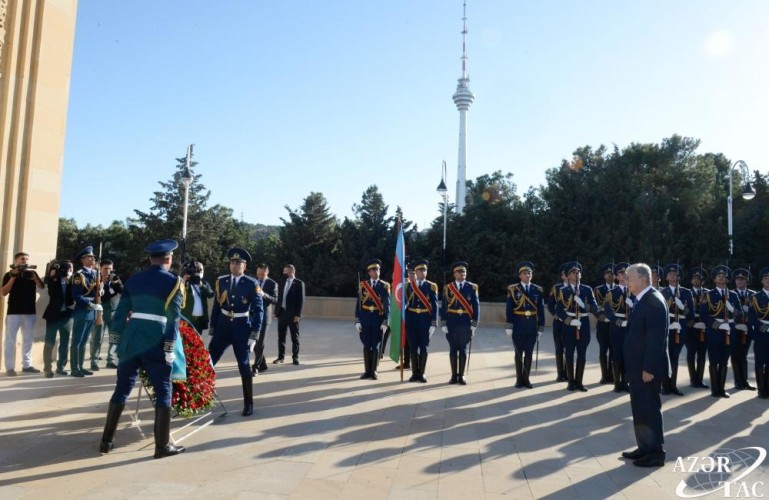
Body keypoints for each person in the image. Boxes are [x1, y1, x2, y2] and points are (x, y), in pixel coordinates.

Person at [99, 239, 186, 459]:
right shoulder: (174, 281)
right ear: (168, 259)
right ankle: (162, 447)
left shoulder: (135, 279)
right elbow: (173, 318)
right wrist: (169, 347)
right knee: (163, 390)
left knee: (122, 389)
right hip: (156, 340)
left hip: (131, 339)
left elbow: (121, 313)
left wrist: (115, 341)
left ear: (150, 258)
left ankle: (106, 441)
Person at [621, 263, 670, 468]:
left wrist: (648, 369)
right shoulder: (642, 299)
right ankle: (644, 447)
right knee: (639, 408)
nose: (626, 281)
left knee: (649, 409)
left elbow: (656, 340)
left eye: (629, 278)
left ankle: (656, 452)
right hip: (637, 367)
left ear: (643, 279)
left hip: (647, 369)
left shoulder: (653, 301)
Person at [208, 248, 263, 416]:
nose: (234, 265)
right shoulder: (221, 281)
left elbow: (259, 310)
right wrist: (213, 327)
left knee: (244, 366)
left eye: (238, 263)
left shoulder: (252, 283)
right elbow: (217, 306)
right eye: (232, 262)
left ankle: (249, 403)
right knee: (207, 362)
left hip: (242, 328)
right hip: (223, 328)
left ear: (244, 266)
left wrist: (254, 334)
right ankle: (202, 397)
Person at [555, 261, 598, 392]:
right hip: (570, 325)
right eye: (573, 272)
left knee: (582, 354)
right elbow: (559, 310)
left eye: (578, 272)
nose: (576, 274)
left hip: (583, 324)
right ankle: (571, 381)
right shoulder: (563, 291)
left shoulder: (587, 289)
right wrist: (569, 321)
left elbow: (594, 308)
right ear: (568, 276)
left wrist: (584, 305)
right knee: (568, 353)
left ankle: (579, 382)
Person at [700, 265, 741, 398]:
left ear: (728, 280)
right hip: (715, 332)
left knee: (724, 361)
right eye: (719, 276)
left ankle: (721, 389)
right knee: (714, 361)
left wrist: (730, 306)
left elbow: (739, 314)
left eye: (724, 277)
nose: (722, 278)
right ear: (715, 279)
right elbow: (704, 314)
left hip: (730, 330)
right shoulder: (709, 295)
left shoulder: (733, 295)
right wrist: (717, 325)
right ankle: (714, 389)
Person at [2, 251, 45, 375]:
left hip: (30, 312)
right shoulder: (9, 274)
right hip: (14, 312)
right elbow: (4, 292)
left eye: (26, 259)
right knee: (10, 340)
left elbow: (41, 287)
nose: (25, 261)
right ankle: (9, 367)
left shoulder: (32, 273)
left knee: (28, 339)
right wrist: (13, 277)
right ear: (16, 261)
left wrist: (35, 278)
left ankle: (27, 365)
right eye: (22, 259)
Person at [505, 261, 545, 389]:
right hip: (518, 324)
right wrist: (509, 325)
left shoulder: (537, 290)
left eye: (529, 273)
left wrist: (541, 327)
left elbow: (541, 310)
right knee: (518, 354)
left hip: (531, 325)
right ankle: (519, 379)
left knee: (529, 353)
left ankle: (526, 378)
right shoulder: (513, 289)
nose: (528, 275)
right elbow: (509, 309)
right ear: (520, 276)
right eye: (525, 273)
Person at [440, 261, 479, 385]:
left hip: (465, 321)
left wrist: (474, 322)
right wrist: (444, 322)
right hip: (452, 321)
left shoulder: (472, 287)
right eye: (460, 271)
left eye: (464, 271)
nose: (463, 273)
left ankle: (461, 375)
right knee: (453, 349)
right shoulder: (448, 287)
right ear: (454, 274)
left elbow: (476, 306)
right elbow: (444, 306)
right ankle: (453, 376)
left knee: (462, 349)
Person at [659, 264, 694, 396]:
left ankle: (673, 385)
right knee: (665, 357)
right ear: (666, 277)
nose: (673, 275)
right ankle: (665, 386)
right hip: (667, 327)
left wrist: (681, 306)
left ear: (679, 277)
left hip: (681, 327)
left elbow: (690, 315)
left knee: (675, 357)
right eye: (670, 274)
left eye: (675, 274)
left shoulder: (686, 292)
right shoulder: (662, 292)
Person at [355, 259, 390, 380]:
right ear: (369, 272)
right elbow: (358, 304)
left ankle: (374, 370)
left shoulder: (385, 286)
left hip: (377, 319)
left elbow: (387, 305)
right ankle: (367, 371)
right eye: (373, 270)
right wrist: (357, 320)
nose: (376, 272)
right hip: (365, 319)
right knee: (366, 345)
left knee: (375, 346)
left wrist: (386, 321)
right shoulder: (363, 285)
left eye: (377, 269)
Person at [404, 260, 438, 383]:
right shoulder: (408, 286)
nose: (423, 272)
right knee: (413, 348)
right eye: (420, 270)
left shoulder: (431, 286)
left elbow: (434, 306)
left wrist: (433, 323)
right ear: (415, 272)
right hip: (411, 321)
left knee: (424, 348)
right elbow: (403, 304)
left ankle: (422, 373)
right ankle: (414, 373)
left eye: (425, 270)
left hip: (425, 321)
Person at [69, 247, 101, 377]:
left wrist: (100, 292)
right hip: (83, 310)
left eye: (93, 257)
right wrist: (90, 304)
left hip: (92, 311)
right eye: (89, 257)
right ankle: (74, 368)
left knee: (84, 341)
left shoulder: (94, 273)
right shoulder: (79, 275)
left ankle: (81, 366)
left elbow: (95, 292)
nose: (93, 259)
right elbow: (76, 295)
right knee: (77, 340)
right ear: (83, 260)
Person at [42, 260, 74, 377]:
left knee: (65, 342)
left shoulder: (73, 281)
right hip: (53, 315)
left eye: (72, 268)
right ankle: (47, 368)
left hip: (66, 315)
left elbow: (73, 296)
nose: (71, 271)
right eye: (69, 268)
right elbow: (52, 291)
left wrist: (70, 281)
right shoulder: (54, 280)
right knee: (49, 342)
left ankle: (61, 367)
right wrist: (53, 275)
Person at [91, 259, 123, 371]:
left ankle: (110, 360)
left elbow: (123, 291)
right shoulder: (95, 279)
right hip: (101, 313)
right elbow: (96, 295)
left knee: (113, 338)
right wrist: (101, 284)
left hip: (113, 313)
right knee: (97, 338)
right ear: (100, 268)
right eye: (105, 268)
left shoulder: (115, 279)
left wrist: (117, 284)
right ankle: (94, 361)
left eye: (110, 268)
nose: (108, 271)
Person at [605, 262, 631, 393]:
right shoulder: (611, 292)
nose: (624, 275)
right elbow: (608, 312)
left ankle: (625, 382)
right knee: (617, 355)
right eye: (621, 273)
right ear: (617, 277)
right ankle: (617, 383)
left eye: (627, 273)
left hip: (631, 327)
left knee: (628, 355)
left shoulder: (635, 292)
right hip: (617, 327)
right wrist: (620, 322)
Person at [273, 264, 304, 365]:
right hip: (282, 313)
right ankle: (280, 357)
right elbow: (279, 298)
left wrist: (298, 315)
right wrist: (276, 312)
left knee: (295, 337)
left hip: (293, 314)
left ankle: (295, 357)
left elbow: (301, 300)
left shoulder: (299, 283)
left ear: (291, 272)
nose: (283, 273)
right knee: (281, 337)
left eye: (285, 271)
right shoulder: (282, 282)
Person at [251, 263, 278, 376]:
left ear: (267, 272)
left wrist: (264, 294)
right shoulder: (253, 281)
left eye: (262, 274)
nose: (260, 276)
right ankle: (263, 364)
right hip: (252, 316)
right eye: (258, 274)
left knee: (260, 343)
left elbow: (275, 300)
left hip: (264, 317)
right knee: (254, 342)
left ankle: (255, 367)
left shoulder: (273, 284)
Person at [731, 268, 756, 391]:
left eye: (742, 279)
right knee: (735, 355)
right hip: (735, 329)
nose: (739, 281)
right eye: (737, 279)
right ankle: (737, 381)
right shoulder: (730, 294)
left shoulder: (753, 294)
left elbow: (758, 312)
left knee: (744, 355)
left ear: (747, 281)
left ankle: (745, 381)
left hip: (748, 329)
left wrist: (749, 311)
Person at [686, 267, 709, 389]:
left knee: (702, 354)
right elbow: (683, 311)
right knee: (691, 354)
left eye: (699, 278)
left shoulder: (708, 294)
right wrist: (692, 323)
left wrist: (706, 324)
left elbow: (712, 311)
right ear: (691, 281)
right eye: (694, 278)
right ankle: (693, 379)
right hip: (691, 328)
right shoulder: (686, 293)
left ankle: (700, 379)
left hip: (704, 328)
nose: (696, 280)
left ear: (703, 281)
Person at [748, 267, 769, 399]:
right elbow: (752, 317)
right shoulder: (755, 297)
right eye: (766, 279)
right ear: (762, 281)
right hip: (762, 334)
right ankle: (761, 390)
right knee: (760, 362)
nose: (768, 281)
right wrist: (763, 328)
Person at [594, 263, 615, 385]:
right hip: (602, 323)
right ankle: (604, 376)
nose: (610, 275)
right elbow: (595, 306)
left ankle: (612, 375)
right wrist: (599, 316)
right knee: (603, 350)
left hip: (614, 324)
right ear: (604, 276)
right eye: (608, 273)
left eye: (612, 273)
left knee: (613, 350)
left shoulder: (619, 289)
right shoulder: (599, 289)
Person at [547, 264, 569, 382]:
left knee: (569, 349)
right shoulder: (556, 288)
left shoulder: (576, 288)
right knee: (559, 348)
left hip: (571, 323)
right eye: (566, 273)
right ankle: (561, 373)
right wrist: (556, 315)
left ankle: (569, 372)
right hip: (559, 323)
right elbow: (550, 305)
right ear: (562, 276)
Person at [181, 260, 214, 335]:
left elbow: (211, 294)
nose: (199, 272)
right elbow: (179, 294)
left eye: (201, 270)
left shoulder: (204, 283)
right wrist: (183, 281)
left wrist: (202, 285)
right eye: (198, 270)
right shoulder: (185, 283)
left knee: (197, 342)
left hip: (200, 320)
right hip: (187, 319)